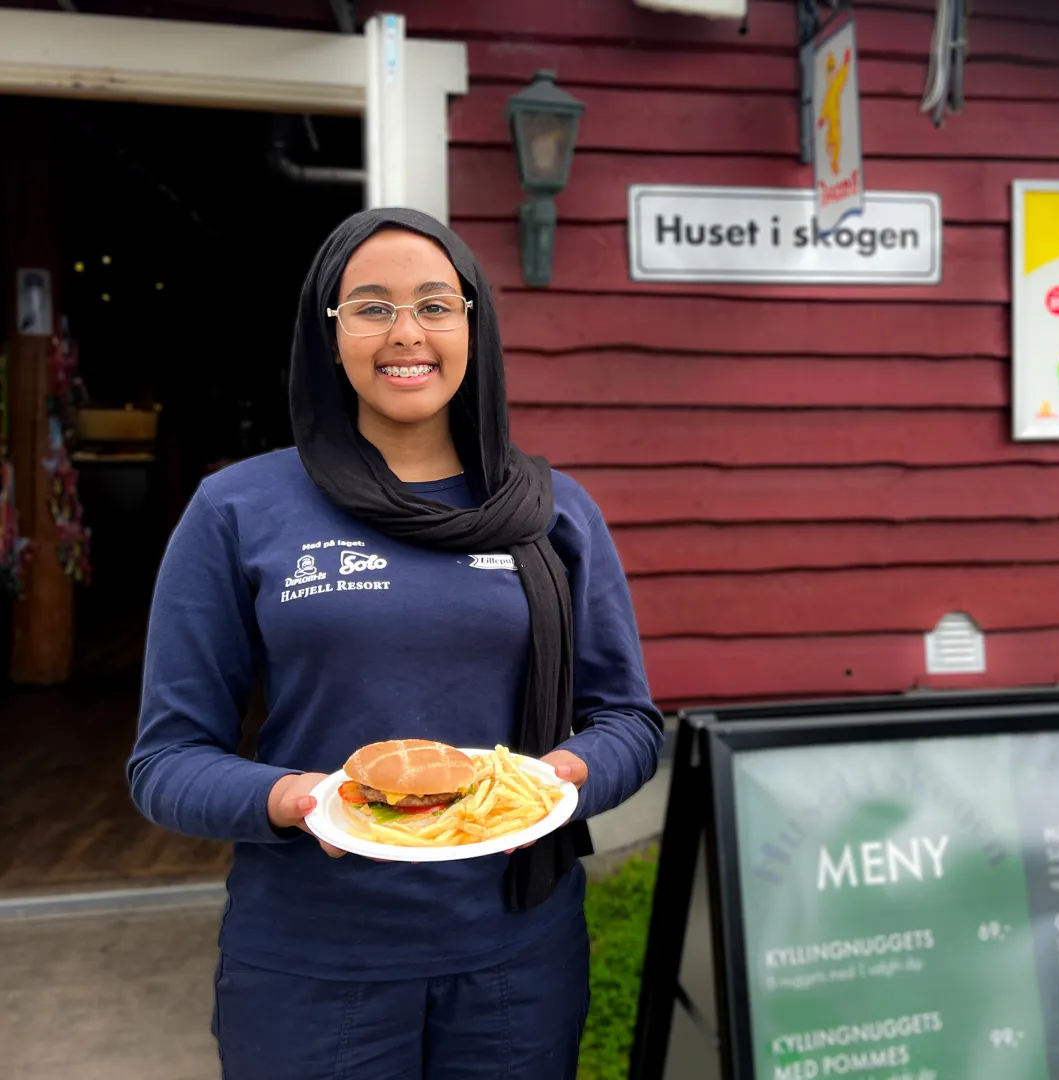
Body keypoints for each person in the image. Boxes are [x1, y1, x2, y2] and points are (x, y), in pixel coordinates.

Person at [127, 207, 665, 1079]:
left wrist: (563, 777)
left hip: (516, 960)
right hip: (311, 965)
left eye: (434, 305)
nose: (405, 332)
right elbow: (167, 763)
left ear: (471, 322)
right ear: (327, 332)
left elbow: (630, 724)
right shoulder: (238, 509)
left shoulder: (554, 512)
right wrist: (303, 797)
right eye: (371, 306)